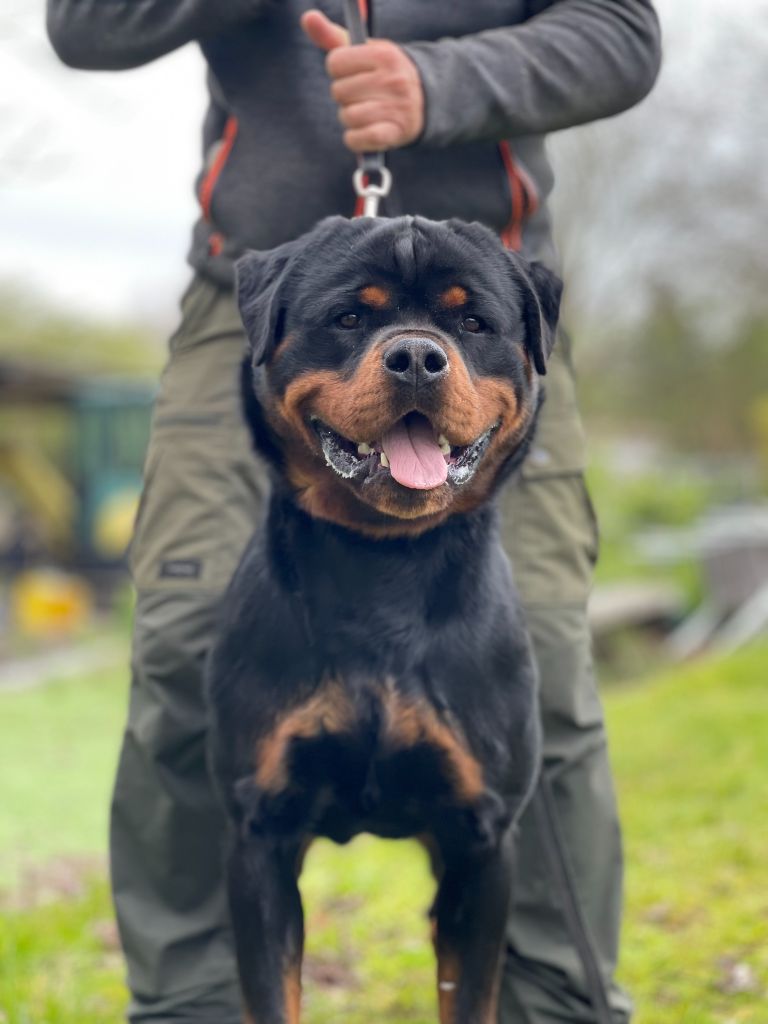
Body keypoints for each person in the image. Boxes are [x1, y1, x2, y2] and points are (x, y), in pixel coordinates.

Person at [46, 3, 661, 1022]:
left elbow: (624, 33)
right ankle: (196, 1006)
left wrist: (444, 84)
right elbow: (86, 26)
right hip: (267, 292)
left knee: (546, 643)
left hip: (490, 291)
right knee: (179, 637)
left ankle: (555, 1003)